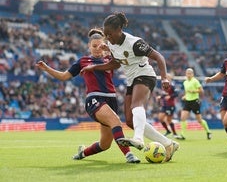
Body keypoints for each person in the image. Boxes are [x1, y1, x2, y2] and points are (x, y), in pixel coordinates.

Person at [80, 12, 179, 162]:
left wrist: (164, 77)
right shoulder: (111, 44)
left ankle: (138, 139)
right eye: (105, 35)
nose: (108, 38)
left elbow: (159, 57)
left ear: (119, 29)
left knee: (136, 105)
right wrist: (94, 67)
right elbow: (116, 63)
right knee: (129, 121)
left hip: (145, 75)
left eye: (110, 34)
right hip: (131, 80)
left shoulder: (135, 43)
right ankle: (168, 143)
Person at [35, 28, 140, 163]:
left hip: (111, 100)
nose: (97, 49)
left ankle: (82, 153)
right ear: (89, 46)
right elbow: (63, 76)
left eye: (100, 46)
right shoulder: (82, 61)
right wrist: (47, 68)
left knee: (105, 144)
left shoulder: (111, 58)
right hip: (94, 99)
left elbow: (123, 60)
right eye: (94, 46)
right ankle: (129, 155)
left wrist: (109, 49)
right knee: (116, 121)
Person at [177, 68, 212, 140]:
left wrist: (194, 91)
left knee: (199, 120)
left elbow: (201, 91)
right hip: (187, 101)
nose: (188, 75)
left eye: (190, 73)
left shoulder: (195, 81)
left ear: (192, 74)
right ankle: (182, 135)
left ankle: (208, 131)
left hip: (195, 101)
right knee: (183, 117)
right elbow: (187, 92)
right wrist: (185, 96)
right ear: (186, 74)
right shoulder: (185, 82)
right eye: (187, 73)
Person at [156, 73, 180, 138]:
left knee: (168, 120)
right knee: (160, 118)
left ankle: (175, 133)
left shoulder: (172, 86)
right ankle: (168, 131)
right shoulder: (163, 86)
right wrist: (160, 97)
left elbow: (176, 94)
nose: (166, 79)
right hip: (164, 105)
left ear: (170, 79)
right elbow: (164, 95)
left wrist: (170, 96)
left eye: (167, 77)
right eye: (165, 77)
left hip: (170, 105)